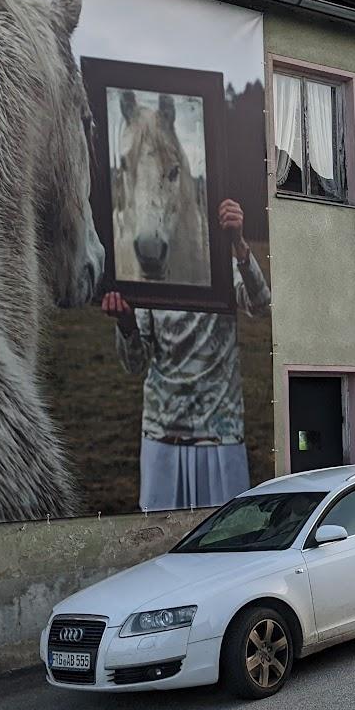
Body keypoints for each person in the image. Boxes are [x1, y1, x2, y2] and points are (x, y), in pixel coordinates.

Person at [102, 198, 271, 512]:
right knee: (161, 539)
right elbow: (135, 363)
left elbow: (260, 304)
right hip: (163, 434)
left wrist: (239, 244)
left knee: (225, 542)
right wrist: (125, 323)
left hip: (219, 434)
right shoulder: (147, 278)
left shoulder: (222, 268)